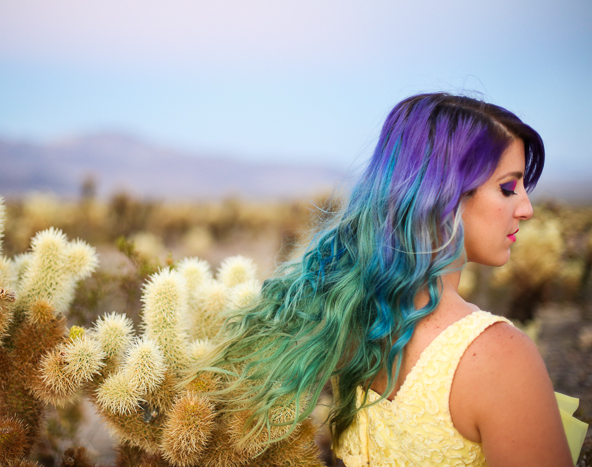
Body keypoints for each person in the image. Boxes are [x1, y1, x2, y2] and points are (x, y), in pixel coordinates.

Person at [201, 93, 577, 466]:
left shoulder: (350, 323)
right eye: (509, 187)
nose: (526, 208)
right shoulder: (500, 357)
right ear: (443, 193)